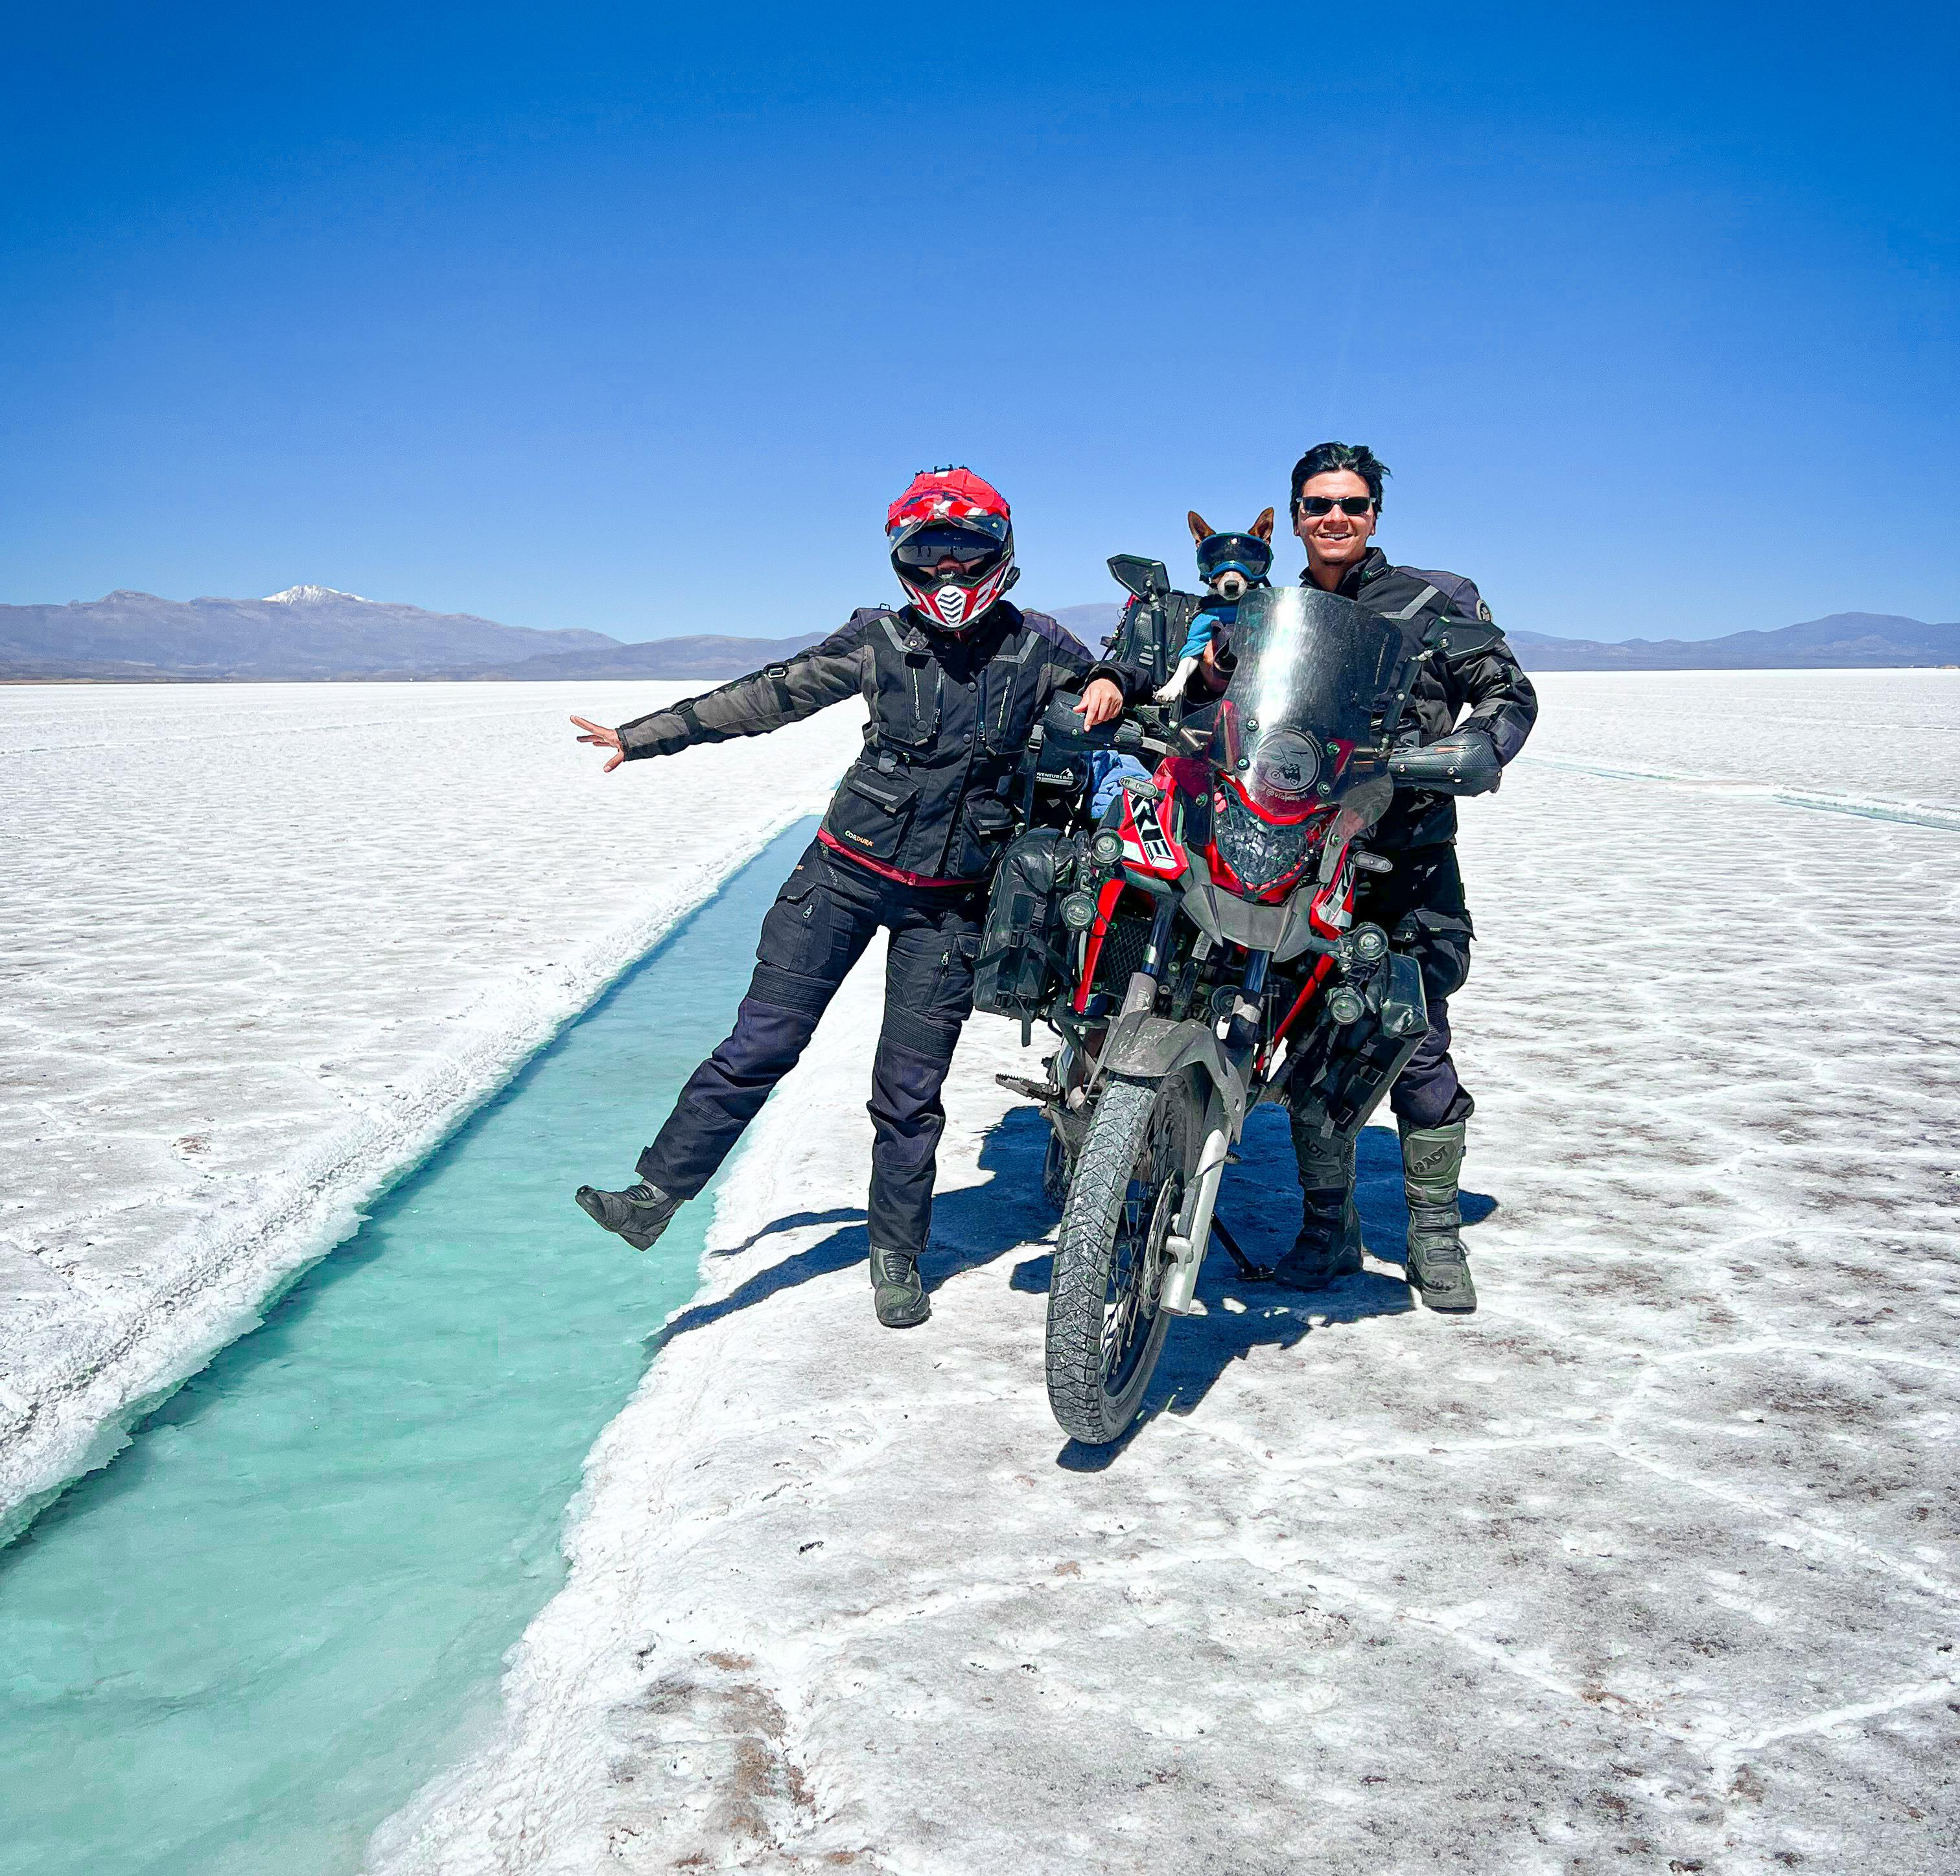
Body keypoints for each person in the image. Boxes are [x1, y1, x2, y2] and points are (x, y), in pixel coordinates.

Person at [568, 467, 1131, 1327]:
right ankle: (653, 1198)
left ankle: (895, 1256)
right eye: (927, 554)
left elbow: (1118, 685)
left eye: (964, 552)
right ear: (903, 559)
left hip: (949, 902)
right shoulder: (877, 638)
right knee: (760, 1045)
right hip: (843, 875)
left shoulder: (1041, 644)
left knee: (909, 1090)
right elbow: (770, 695)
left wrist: (1116, 683)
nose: (947, 575)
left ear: (999, 553)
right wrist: (644, 737)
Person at [1268, 440, 1537, 1311]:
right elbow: (1224, 709)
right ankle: (1327, 1227)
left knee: (1416, 1048)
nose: (1334, 518)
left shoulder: (1432, 602)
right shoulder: (1276, 615)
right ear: (1298, 516)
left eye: (1351, 503)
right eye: (1318, 505)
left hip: (1403, 858)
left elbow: (1505, 688)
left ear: (1374, 512)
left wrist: (1478, 746)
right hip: (1294, 862)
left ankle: (1434, 1238)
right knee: (1308, 1051)